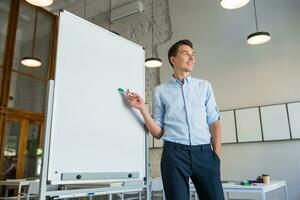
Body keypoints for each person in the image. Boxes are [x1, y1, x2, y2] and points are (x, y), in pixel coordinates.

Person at [126, 39, 224, 200]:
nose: (191, 58)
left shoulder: (204, 86)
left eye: (193, 54)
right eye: (186, 54)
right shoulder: (160, 91)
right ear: (173, 59)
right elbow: (158, 133)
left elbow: (215, 124)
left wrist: (216, 157)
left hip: (205, 154)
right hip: (174, 155)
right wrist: (143, 109)